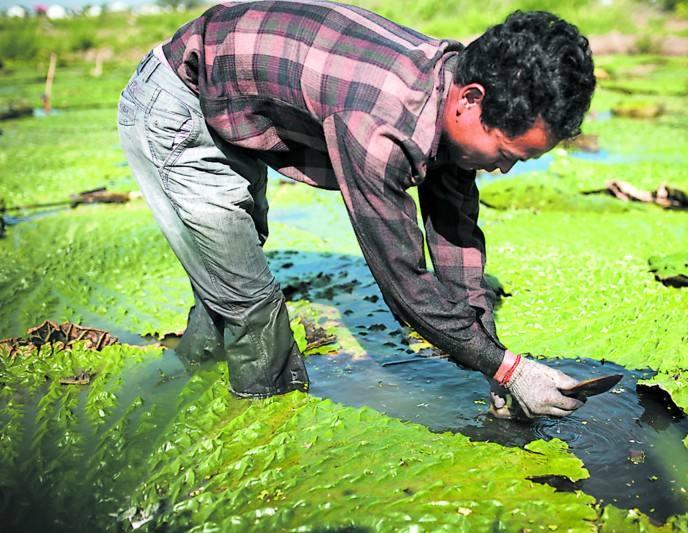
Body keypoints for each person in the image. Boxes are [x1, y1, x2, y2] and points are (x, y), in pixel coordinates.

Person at [117, 0, 595, 417]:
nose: (505, 171)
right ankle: (263, 425)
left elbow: (456, 238)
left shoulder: (451, 86)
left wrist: (493, 360)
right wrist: (509, 369)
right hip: (177, 107)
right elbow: (402, 280)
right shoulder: (380, 124)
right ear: (470, 102)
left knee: (227, 274)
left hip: (231, 93)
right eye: (507, 154)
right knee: (250, 303)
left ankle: (193, 375)